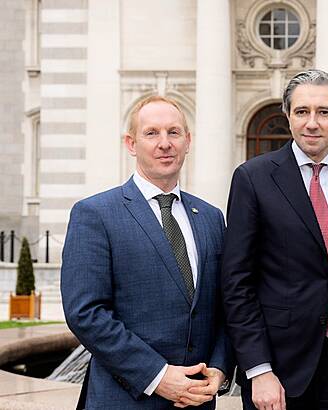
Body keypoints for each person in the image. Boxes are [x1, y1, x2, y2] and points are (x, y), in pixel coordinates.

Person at [220, 69, 328, 410]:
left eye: (324, 112)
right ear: (288, 116)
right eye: (302, 112)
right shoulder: (252, 179)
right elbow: (236, 282)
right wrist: (258, 369)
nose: (312, 123)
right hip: (279, 372)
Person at [61, 95, 233, 408]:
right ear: (131, 143)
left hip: (196, 402)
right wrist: (157, 376)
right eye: (151, 133)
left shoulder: (210, 217)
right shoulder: (95, 214)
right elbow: (85, 313)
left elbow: (224, 305)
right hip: (124, 399)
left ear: (188, 141)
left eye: (174, 132)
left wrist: (220, 370)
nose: (165, 143)